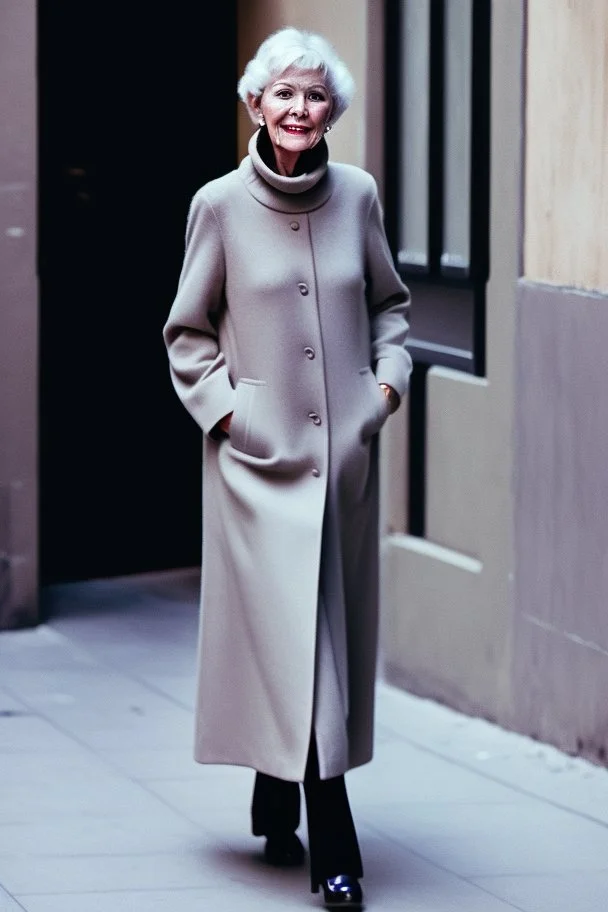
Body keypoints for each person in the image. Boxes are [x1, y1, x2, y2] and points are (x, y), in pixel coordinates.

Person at [163, 26, 412, 910]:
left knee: (317, 643)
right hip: (258, 472)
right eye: (284, 93)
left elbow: (389, 307)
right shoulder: (219, 205)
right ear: (255, 105)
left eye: (314, 95)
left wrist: (381, 394)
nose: (299, 108)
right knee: (298, 647)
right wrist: (233, 415)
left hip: (341, 464)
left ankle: (277, 792)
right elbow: (187, 334)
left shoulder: (360, 197)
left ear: (329, 108)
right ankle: (333, 848)